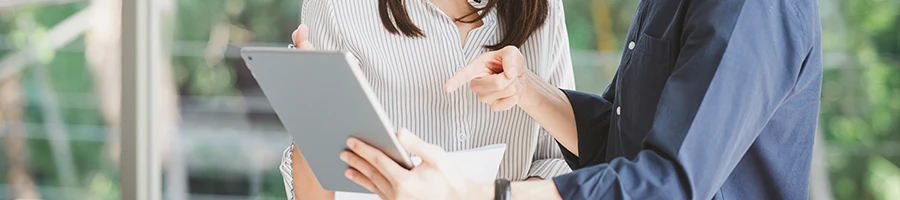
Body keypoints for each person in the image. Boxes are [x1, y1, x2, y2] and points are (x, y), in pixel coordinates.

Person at [338, 0, 824, 199]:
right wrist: (528, 90)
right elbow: (620, 136)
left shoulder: (751, 7)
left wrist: (479, 193)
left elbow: (669, 183)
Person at [281, 0, 577, 199]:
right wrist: (312, 123)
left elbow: (565, 162)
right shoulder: (339, 8)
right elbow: (322, 179)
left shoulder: (541, 8)